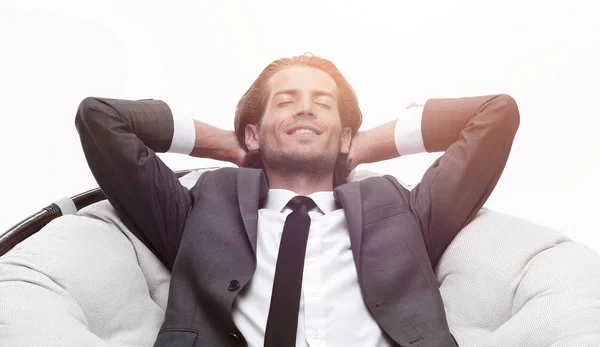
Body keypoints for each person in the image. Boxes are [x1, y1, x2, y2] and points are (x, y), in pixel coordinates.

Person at [75, 54, 519, 347]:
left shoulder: (400, 207)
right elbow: (100, 118)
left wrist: (362, 145)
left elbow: (495, 113)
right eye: (286, 102)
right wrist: (233, 148)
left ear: (344, 133)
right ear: (254, 131)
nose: (305, 110)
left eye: (323, 104)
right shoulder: (200, 206)